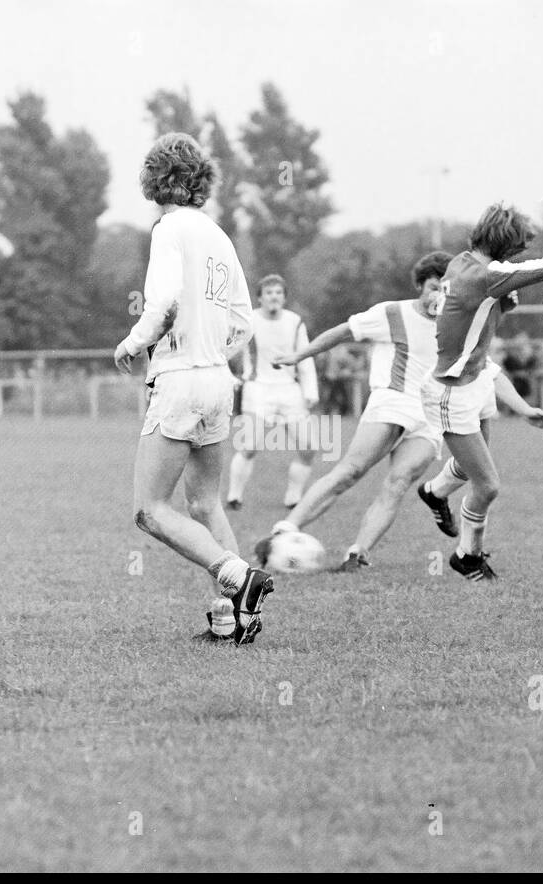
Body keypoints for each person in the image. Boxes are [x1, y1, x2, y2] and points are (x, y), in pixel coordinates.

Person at [112, 133, 274, 646]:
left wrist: (134, 343)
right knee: (205, 504)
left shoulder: (169, 229)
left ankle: (239, 578)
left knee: (149, 509)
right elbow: (244, 322)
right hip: (216, 381)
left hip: (180, 380)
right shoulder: (218, 234)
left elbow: (162, 300)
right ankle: (234, 618)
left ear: (154, 180)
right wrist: (212, 352)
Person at [415, 202, 543, 580]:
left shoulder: (461, 261)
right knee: (488, 484)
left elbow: (468, 313)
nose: (519, 255)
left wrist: (499, 305)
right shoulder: (486, 275)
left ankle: (434, 491)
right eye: (517, 248)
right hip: (451, 392)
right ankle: (468, 555)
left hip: (475, 380)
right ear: (504, 245)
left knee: (471, 465)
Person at [250, 252, 458, 570]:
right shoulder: (393, 313)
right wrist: (299, 355)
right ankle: (282, 532)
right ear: (419, 285)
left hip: (430, 417)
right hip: (393, 402)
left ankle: (357, 556)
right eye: (433, 286)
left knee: (398, 483)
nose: (438, 295)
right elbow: (343, 332)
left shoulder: (458, 323)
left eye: (445, 288)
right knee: (350, 472)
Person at [225, 275, 318, 510]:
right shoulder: (248, 320)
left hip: (290, 390)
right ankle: (234, 496)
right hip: (258, 389)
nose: (273, 296)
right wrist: (230, 376)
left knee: (308, 447)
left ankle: (294, 496)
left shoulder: (295, 321)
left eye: (278, 292)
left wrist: (310, 391)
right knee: (250, 445)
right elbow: (227, 347)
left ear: (284, 297)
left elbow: (305, 357)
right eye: (268, 293)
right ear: (259, 298)